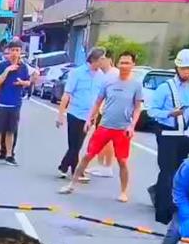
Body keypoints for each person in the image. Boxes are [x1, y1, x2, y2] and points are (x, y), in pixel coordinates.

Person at [58, 51, 144, 203]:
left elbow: (138, 107)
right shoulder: (108, 82)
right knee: (88, 155)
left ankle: (124, 191)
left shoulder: (136, 85)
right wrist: (89, 119)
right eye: (122, 62)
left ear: (133, 65)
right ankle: (72, 184)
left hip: (123, 128)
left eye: (127, 63)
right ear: (117, 63)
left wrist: (132, 126)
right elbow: (98, 102)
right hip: (104, 126)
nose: (124, 66)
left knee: (122, 161)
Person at [147, 49, 189, 223]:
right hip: (168, 134)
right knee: (167, 171)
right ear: (176, 68)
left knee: (184, 172)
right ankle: (163, 210)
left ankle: (172, 202)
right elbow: (151, 111)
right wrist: (169, 114)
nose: (185, 72)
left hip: (188, 136)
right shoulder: (165, 88)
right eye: (182, 68)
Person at [56, 47, 107, 178]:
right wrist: (60, 115)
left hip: (89, 115)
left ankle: (65, 167)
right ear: (94, 59)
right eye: (102, 58)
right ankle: (75, 170)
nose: (104, 61)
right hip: (75, 112)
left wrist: (96, 114)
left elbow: (99, 98)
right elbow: (67, 95)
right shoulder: (77, 73)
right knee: (74, 143)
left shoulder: (101, 76)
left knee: (78, 144)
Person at [0, 40, 35, 165]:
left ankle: (9, 155)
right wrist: (7, 71)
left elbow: (29, 81)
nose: (14, 53)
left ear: (20, 52)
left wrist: (23, 83)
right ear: (9, 51)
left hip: (15, 103)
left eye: (17, 50)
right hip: (2, 103)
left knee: (10, 131)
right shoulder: (2, 65)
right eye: (12, 50)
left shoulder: (23, 67)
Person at [86, 54, 120, 179]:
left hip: (110, 112)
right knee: (100, 138)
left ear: (110, 60)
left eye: (103, 59)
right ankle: (100, 165)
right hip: (101, 110)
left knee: (108, 140)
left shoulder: (115, 74)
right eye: (99, 59)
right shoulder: (102, 74)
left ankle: (107, 166)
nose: (100, 61)